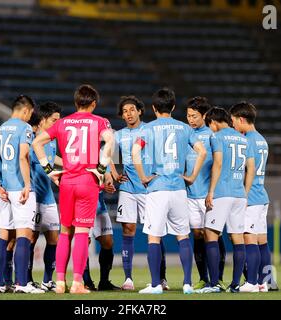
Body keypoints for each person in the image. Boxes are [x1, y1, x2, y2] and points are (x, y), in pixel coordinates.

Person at [33, 84, 114, 294]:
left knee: (64, 232)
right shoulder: (100, 122)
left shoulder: (62, 123)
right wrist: (101, 168)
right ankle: (77, 282)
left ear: (76, 102)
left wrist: (50, 170)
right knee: (81, 232)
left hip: (66, 181)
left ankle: (60, 282)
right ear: (93, 103)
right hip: (87, 181)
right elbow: (110, 141)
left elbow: (37, 143)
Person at [132, 88, 207, 294]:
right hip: (179, 190)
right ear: (173, 107)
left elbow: (135, 152)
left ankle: (156, 284)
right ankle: (187, 284)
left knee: (154, 237)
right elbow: (202, 151)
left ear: (154, 108)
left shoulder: (147, 129)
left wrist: (143, 177)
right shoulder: (185, 128)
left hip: (157, 188)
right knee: (183, 236)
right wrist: (191, 176)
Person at [0, 95, 44, 294]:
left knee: (3, 234)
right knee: (24, 235)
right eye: (30, 114)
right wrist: (27, 185)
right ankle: (21, 284)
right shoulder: (25, 128)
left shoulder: (0, 129)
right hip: (20, 190)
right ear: (26, 110)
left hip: (3, 192)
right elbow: (22, 156)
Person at [111, 96, 168, 291]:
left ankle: (161, 278)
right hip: (128, 189)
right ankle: (128, 278)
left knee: (154, 232)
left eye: (132, 109)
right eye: (125, 111)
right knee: (128, 230)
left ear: (140, 111)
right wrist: (114, 173)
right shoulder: (119, 135)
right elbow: (106, 154)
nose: (128, 113)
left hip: (149, 189)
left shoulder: (150, 129)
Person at [196, 107, 255, 294]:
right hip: (239, 194)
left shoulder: (217, 136)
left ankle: (214, 284)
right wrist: (244, 193)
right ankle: (235, 284)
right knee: (237, 238)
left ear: (213, 123)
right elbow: (250, 168)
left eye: (210, 126)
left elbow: (218, 163)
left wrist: (211, 192)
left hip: (222, 192)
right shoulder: (244, 138)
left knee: (210, 235)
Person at [230, 101, 279, 292]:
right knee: (262, 241)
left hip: (250, 197)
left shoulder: (246, 140)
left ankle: (251, 282)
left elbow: (245, 171)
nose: (233, 125)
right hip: (262, 195)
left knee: (249, 239)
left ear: (242, 119)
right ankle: (266, 281)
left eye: (234, 121)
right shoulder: (261, 139)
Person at [185, 97, 227, 291]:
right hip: (190, 194)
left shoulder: (212, 135)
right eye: (188, 116)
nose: (190, 120)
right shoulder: (185, 134)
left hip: (209, 194)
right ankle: (203, 277)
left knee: (214, 235)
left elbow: (219, 164)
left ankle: (218, 277)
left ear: (203, 115)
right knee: (197, 234)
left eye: (194, 116)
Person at [27, 102, 62, 292]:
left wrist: (68, 165)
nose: (57, 124)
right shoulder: (31, 140)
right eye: (54, 120)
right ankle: (27, 279)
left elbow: (52, 159)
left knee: (54, 239)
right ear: (42, 120)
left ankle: (47, 280)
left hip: (49, 198)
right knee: (31, 239)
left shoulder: (51, 141)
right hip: (35, 198)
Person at [83, 172, 121, 291]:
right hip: (83, 204)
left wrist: (108, 182)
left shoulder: (101, 155)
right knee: (84, 242)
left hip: (99, 205)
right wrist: (102, 186)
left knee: (108, 242)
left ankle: (104, 281)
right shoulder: (82, 155)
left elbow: (107, 173)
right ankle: (87, 281)